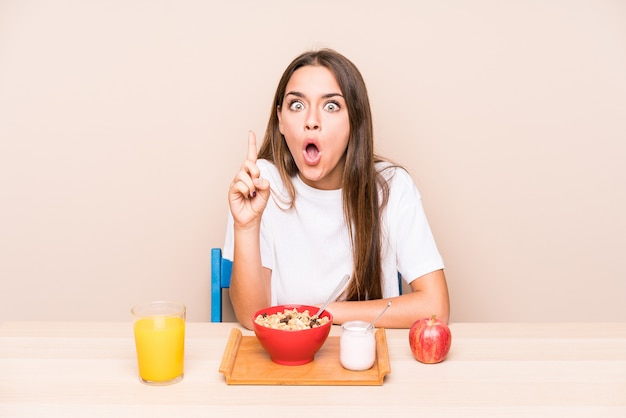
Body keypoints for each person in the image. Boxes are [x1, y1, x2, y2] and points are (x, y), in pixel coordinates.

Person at [224, 48, 449, 330]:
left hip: (363, 357)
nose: (311, 121)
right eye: (297, 105)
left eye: (331, 106)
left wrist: (323, 314)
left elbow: (435, 308)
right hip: (287, 367)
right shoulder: (260, 185)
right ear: (280, 119)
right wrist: (246, 226)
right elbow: (251, 316)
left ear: (354, 122)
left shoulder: (392, 187)